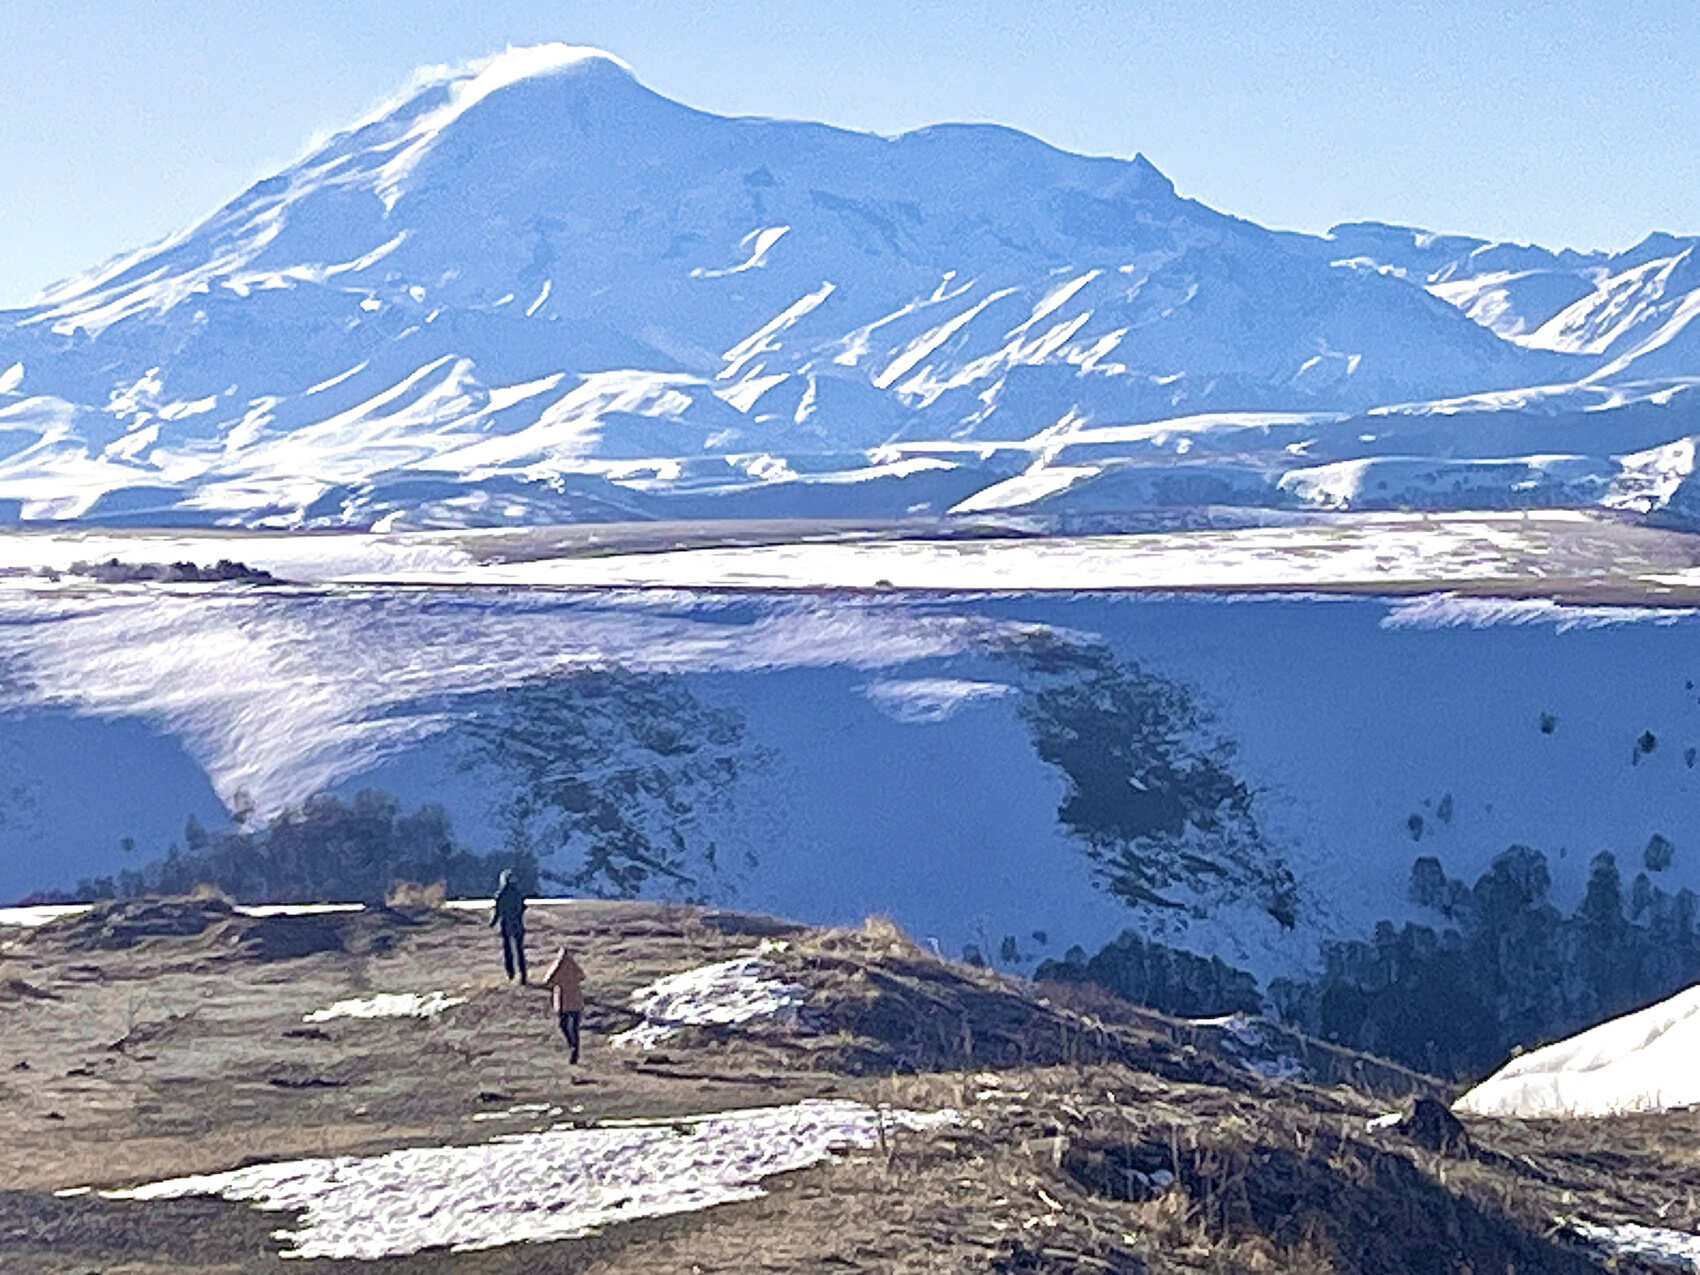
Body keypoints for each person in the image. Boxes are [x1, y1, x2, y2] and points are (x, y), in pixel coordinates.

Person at [540, 945, 586, 1063]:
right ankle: (575, 1048)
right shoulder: (574, 966)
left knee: (563, 1025)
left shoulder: (558, 967)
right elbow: (582, 976)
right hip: (576, 1001)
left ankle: (572, 1045)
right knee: (574, 1028)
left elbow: (548, 981)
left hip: (563, 1002)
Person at [490, 869, 528, 984]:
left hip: (506, 926)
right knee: (519, 951)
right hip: (518, 926)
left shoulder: (501, 895)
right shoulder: (518, 894)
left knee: (508, 951)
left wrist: (492, 923)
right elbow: (522, 908)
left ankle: (510, 974)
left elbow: (498, 911)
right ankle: (523, 975)